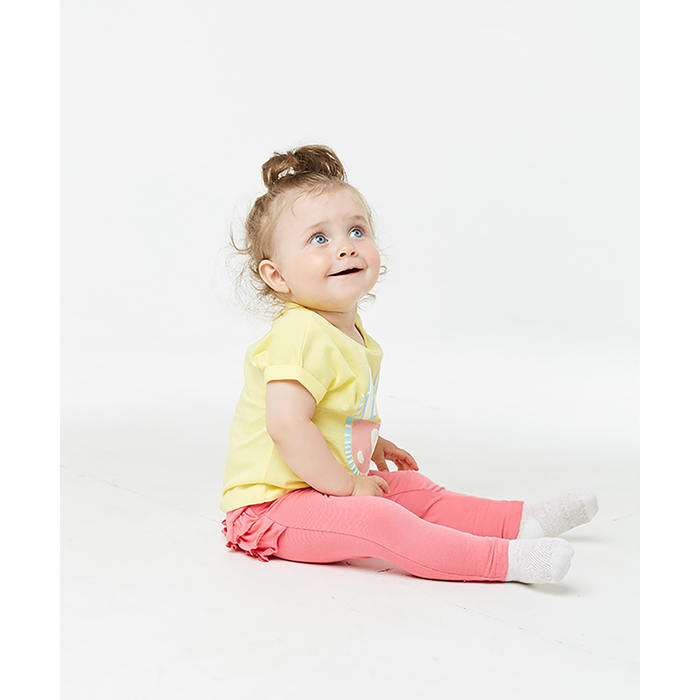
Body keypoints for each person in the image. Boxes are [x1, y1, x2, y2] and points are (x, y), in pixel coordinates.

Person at [220, 144, 598, 584]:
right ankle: (503, 560)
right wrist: (349, 486)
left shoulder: (345, 332)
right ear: (277, 275)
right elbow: (287, 426)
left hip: (313, 487)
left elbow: (325, 414)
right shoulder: (299, 332)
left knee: (411, 489)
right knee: (379, 518)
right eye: (319, 239)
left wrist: (370, 444)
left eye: (356, 231)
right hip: (268, 509)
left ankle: (521, 521)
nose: (345, 248)